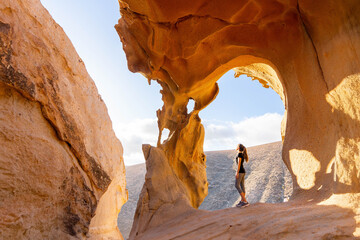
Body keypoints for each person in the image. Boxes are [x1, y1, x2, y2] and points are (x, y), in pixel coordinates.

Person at [235, 143, 249, 208]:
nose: (236, 146)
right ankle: (242, 200)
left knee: (236, 185)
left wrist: (237, 173)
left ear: (239, 148)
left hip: (240, 172)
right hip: (243, 171)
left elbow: (239, 165)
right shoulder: (241, 154)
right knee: (242, 186)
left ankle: (245, 201)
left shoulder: (239, 155)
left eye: (237, 146)